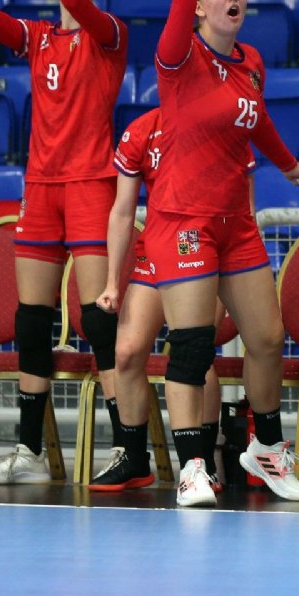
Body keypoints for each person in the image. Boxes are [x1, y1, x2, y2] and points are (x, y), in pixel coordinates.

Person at [148, 0, 299, 507]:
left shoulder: (252, 62)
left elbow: (257, 120)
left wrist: (288, 164)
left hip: (235, 222)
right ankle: (193, 466)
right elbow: (175, 3)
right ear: (199, 7)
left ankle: (265, 449)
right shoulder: (179, 54)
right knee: (194, 346)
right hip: (183, 219)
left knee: (267, 339)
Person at [0, 0, 128, 485]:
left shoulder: (110, 35)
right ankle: (28, 451)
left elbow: (78, 3)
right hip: (41, 187)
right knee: (31, 321)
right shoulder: (37, 38)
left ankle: (125, 448)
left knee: (98, 321)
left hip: (91, 186)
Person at [86, 106, 228, 493]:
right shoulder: (141, 131)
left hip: (205, 249)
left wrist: (230, 263)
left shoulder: (219, 121)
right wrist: (112, 283)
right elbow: (122, 211)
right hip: (158, 251)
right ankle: (134, 459)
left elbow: (241, 203)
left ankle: (202, 462)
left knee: (195, 355)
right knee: (127, 352)